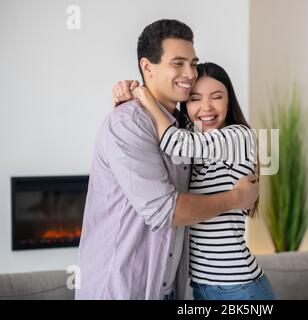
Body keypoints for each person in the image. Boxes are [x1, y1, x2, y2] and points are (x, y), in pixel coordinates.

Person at [76, 19, 258, 300]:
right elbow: (165, 211)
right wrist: (236, 198)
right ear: (147, 67)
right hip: (121, 289)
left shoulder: (187, 128)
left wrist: (138, 90)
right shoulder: (128, 123)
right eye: (178, 63)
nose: (190, 73)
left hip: (171, 288)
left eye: (192, 62)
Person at [113, 62, 276, 300]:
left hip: (239, 287)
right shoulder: (196, 138)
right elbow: (158, 134)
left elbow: (174, 142)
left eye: (216, 97)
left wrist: (144, 95)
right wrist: (125, 93)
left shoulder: (239, 136)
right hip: (203, 287)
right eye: (195, 99)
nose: (206, 107)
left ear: (229, 101)